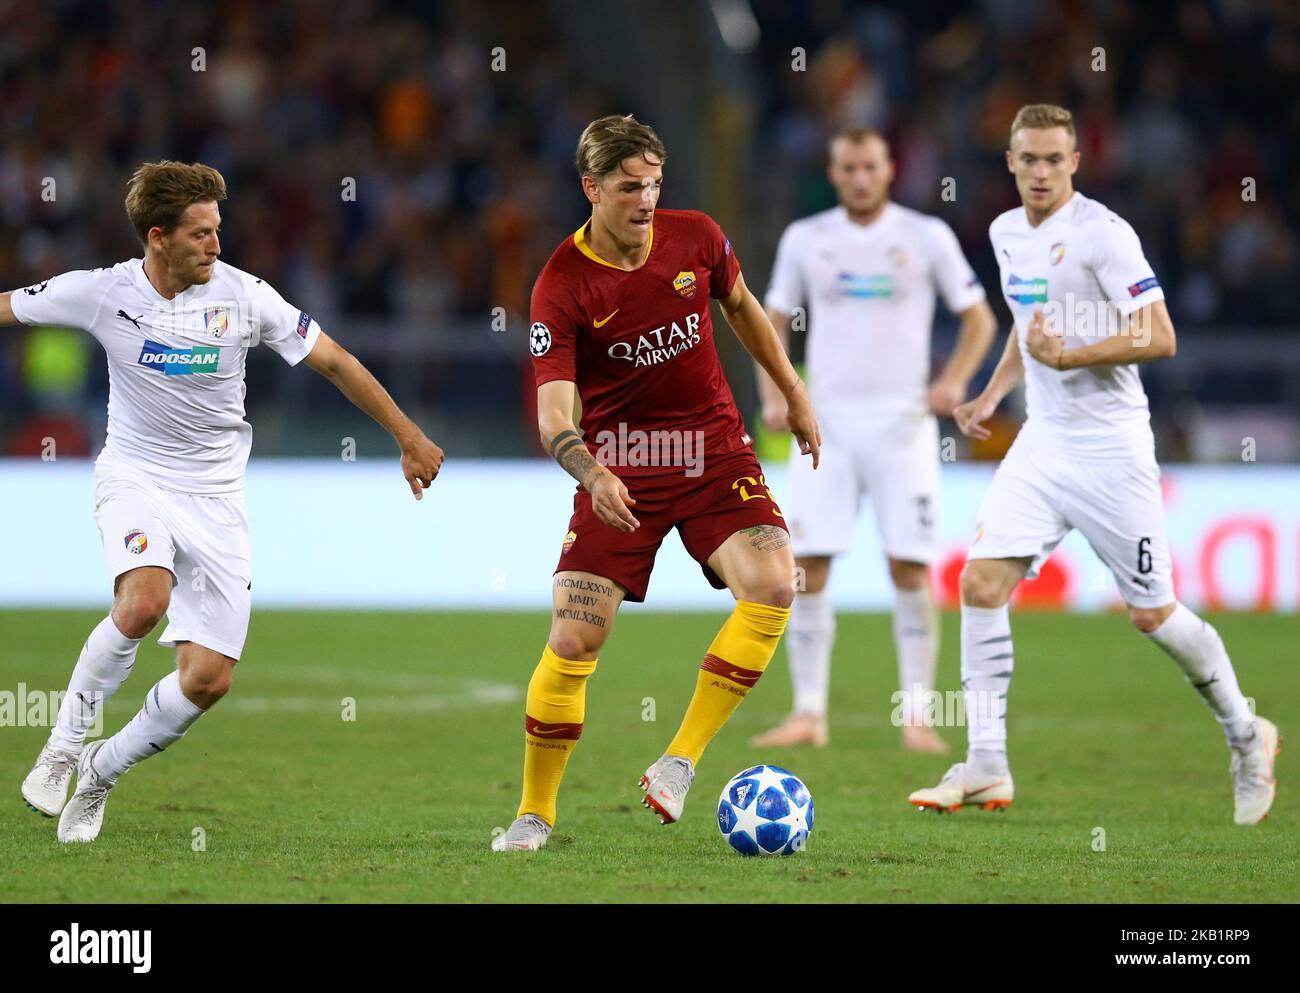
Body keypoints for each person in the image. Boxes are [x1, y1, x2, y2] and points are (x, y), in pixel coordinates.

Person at [9, 161, 444, 842]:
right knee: (143, 602)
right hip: (136, 477)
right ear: (158, 237)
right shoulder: (99, 293)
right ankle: (62, 746)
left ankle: (100, 770)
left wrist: (408, 434)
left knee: (208, 679)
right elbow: (7, 305)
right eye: (202, 233)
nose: (218, 243)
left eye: (219, 229)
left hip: (216, 499)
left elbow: (333, 359)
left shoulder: (245, 296)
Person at [908, 105, 1278, 824]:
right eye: (1028, 160)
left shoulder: (1105, 235)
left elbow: (1160, 334)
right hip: (1044, 444)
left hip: (1112, 452)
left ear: (1076, 161)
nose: (1041, 172)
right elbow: (1028, 321)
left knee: (1152, 613)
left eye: (1054, 159)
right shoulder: (1005, 232)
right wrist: (991, 392)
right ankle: (986, 763)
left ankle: (1244, 732)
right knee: (981, 584)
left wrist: (1072, 356)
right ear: (1009, 163)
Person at [491, 114, 821, 851]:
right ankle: (534, 812)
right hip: (622, 465)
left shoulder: (696, 237)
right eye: (629, 187)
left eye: (654, 185)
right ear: (592, 188)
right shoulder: (562, 285)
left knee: (773, 582)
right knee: (575, 639)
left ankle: (678, 760)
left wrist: (793, 392)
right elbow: (552, 414)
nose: (645, 200)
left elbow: (743, 309)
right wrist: (591, 468)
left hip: (712, 451)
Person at [753, 126, 996, 753]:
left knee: (910, 566)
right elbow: (767, 319)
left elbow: (980, 318)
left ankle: (916, 715)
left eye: (869, 167)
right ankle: (809, 713)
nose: (859, 178)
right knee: (806, 568)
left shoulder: (925, 236)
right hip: (824, 423)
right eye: (848, 168)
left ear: (890, 170)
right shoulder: (807, 239)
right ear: (833, 174)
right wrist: (774, 393)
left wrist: (955, 381)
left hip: (903, 425)